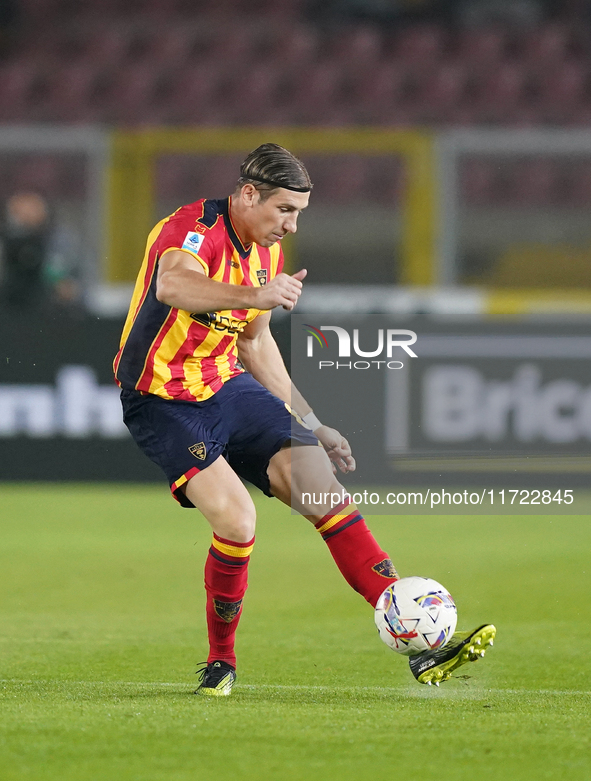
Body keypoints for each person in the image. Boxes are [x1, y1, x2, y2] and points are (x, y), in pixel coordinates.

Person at [114, 143, 495, 696]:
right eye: (284, 210)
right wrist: (256, 292)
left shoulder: (264, 253)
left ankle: (419, 645)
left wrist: (312, 421)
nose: (291, 226)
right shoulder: (191, 228)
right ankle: (221, 661)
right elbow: (171, 286)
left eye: (299, 214)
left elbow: (255, 342)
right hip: (163, 401)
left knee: (322, 486)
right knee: (238, 522)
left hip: (227, 385)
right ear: (248, 194)